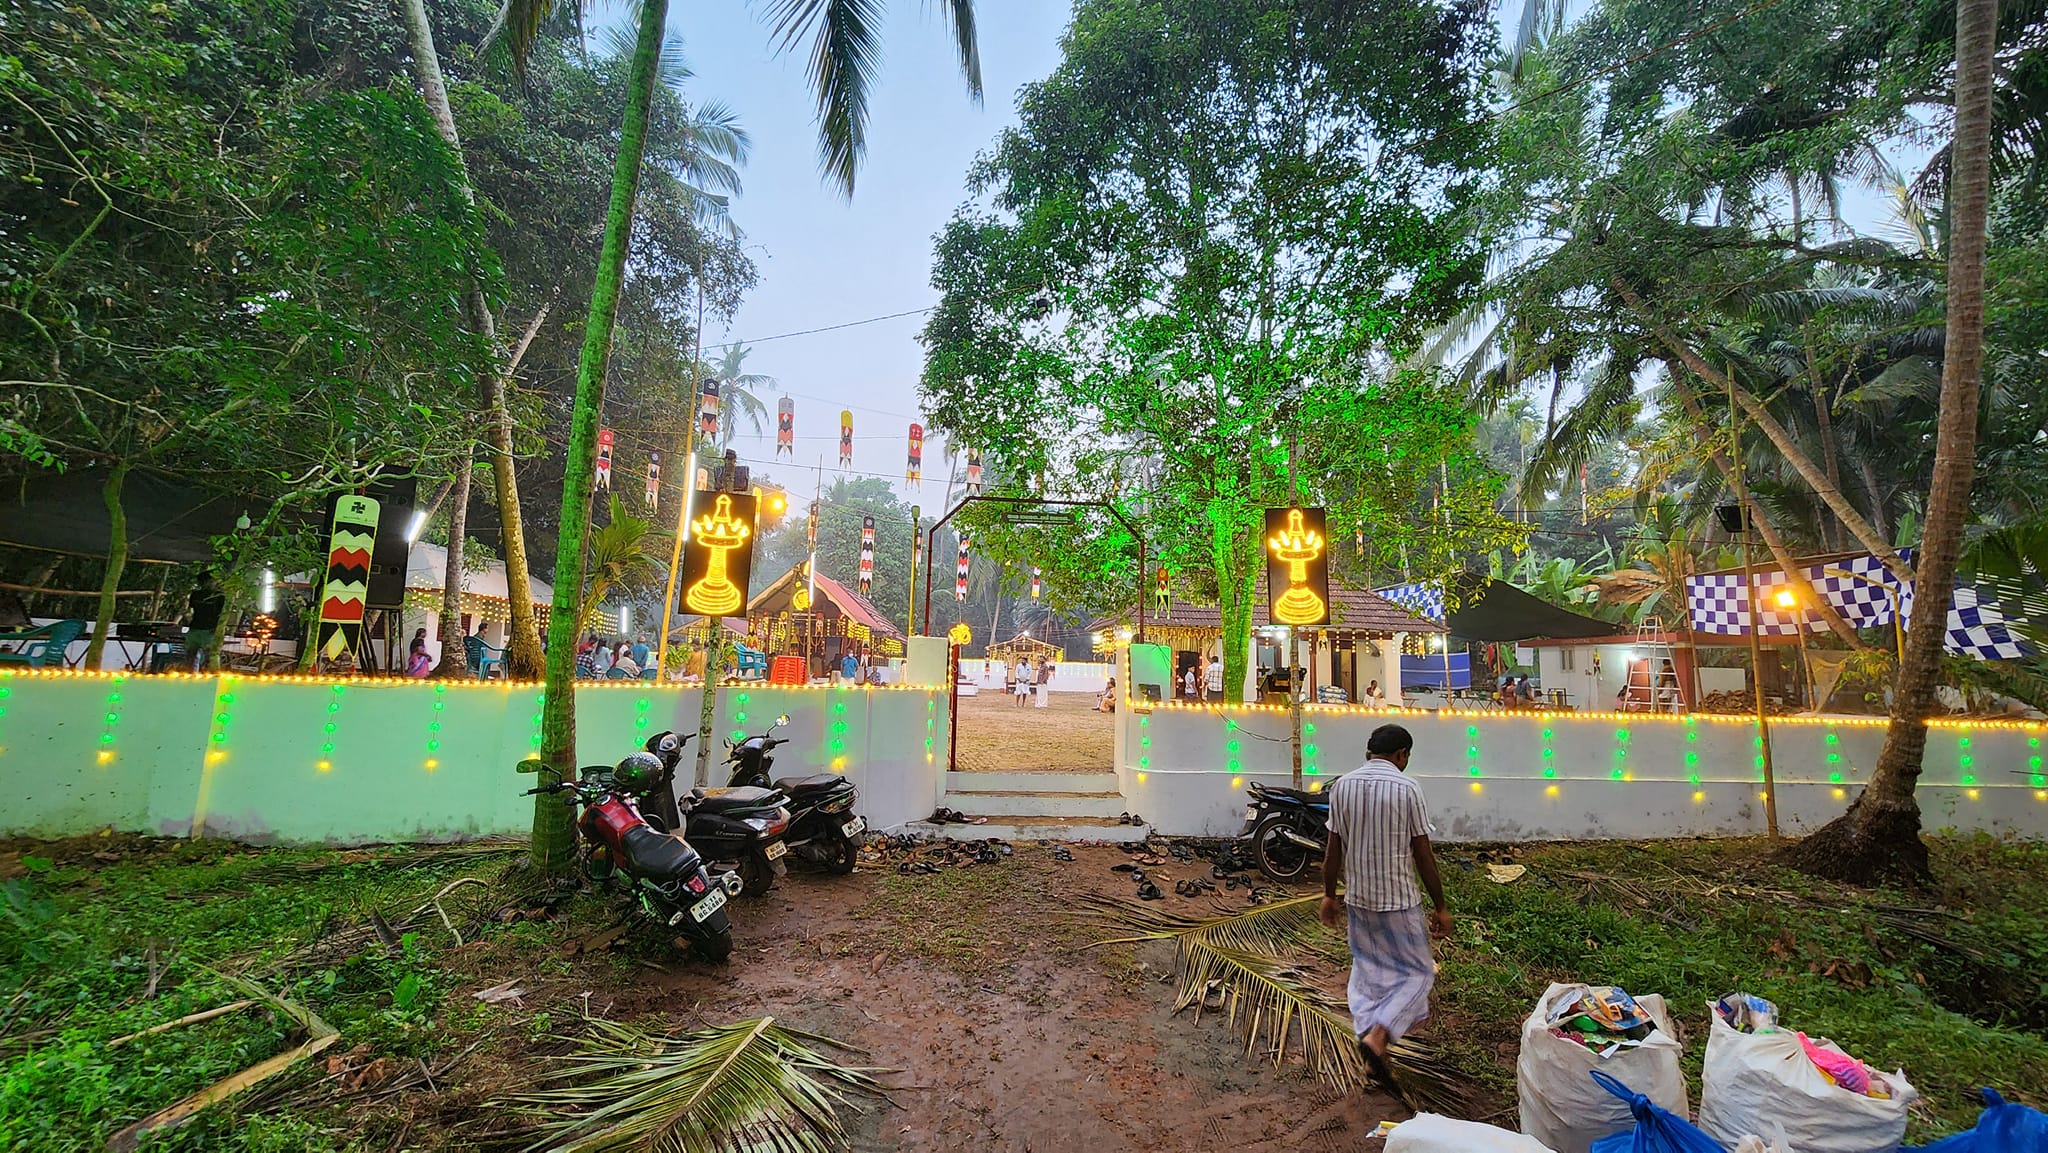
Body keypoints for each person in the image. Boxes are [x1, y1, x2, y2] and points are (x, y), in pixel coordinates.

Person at [1320, 723, 1451, 1083]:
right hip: (1398, 902)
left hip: (1359, 900)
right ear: (1401, 754)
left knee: (1369, 976)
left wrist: (1329, 895)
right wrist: (1440, 906)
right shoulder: (1407, 788)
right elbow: (1422, 853)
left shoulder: (1342, 786)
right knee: (1419, 973)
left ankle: (1370, 1054)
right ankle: (1378, 1037)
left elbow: (1333, 850)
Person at [185, 572, 226, 672]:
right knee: (191, 657)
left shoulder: (219, 596)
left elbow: (222, 614)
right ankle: (192, 678)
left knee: (209, 657)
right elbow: (190, 610)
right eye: (211, 581)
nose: (213, 583)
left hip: (208, 630)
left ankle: (209, 678)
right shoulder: (196, 594)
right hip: (198, 629)